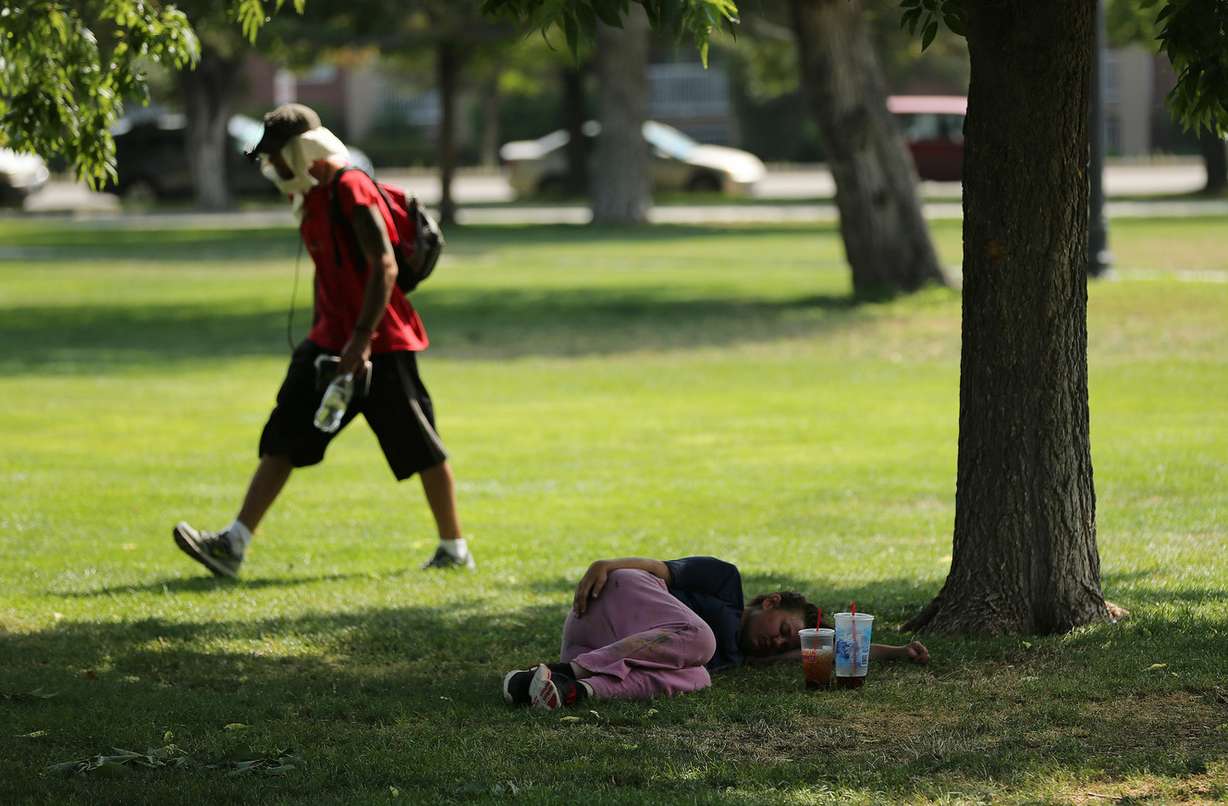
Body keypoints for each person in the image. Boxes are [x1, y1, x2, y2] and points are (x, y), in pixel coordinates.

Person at [172, 103, 473, 578]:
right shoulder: (311, 198)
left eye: (276, 156)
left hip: (380, 342)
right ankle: (233, 543)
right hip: (327, 340)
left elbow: (384, 266)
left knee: (420, 445)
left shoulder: (351, 189)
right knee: (283, 437)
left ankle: (454, 550)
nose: (271, 166)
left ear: (302, 151)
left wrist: (359, 341)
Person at [502, 556, 929, 709]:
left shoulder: (739, 657)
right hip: (610, 599)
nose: (780, 641)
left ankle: (568, 690)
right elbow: (658, 569)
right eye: (783, 629)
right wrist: (606, 564)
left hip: (609, 650)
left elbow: (827, 647)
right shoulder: (725, 581)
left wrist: (894, 652)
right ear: (770, 602)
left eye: (786, 642)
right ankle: (566, 670)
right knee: (701, 641)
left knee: (700, 676)